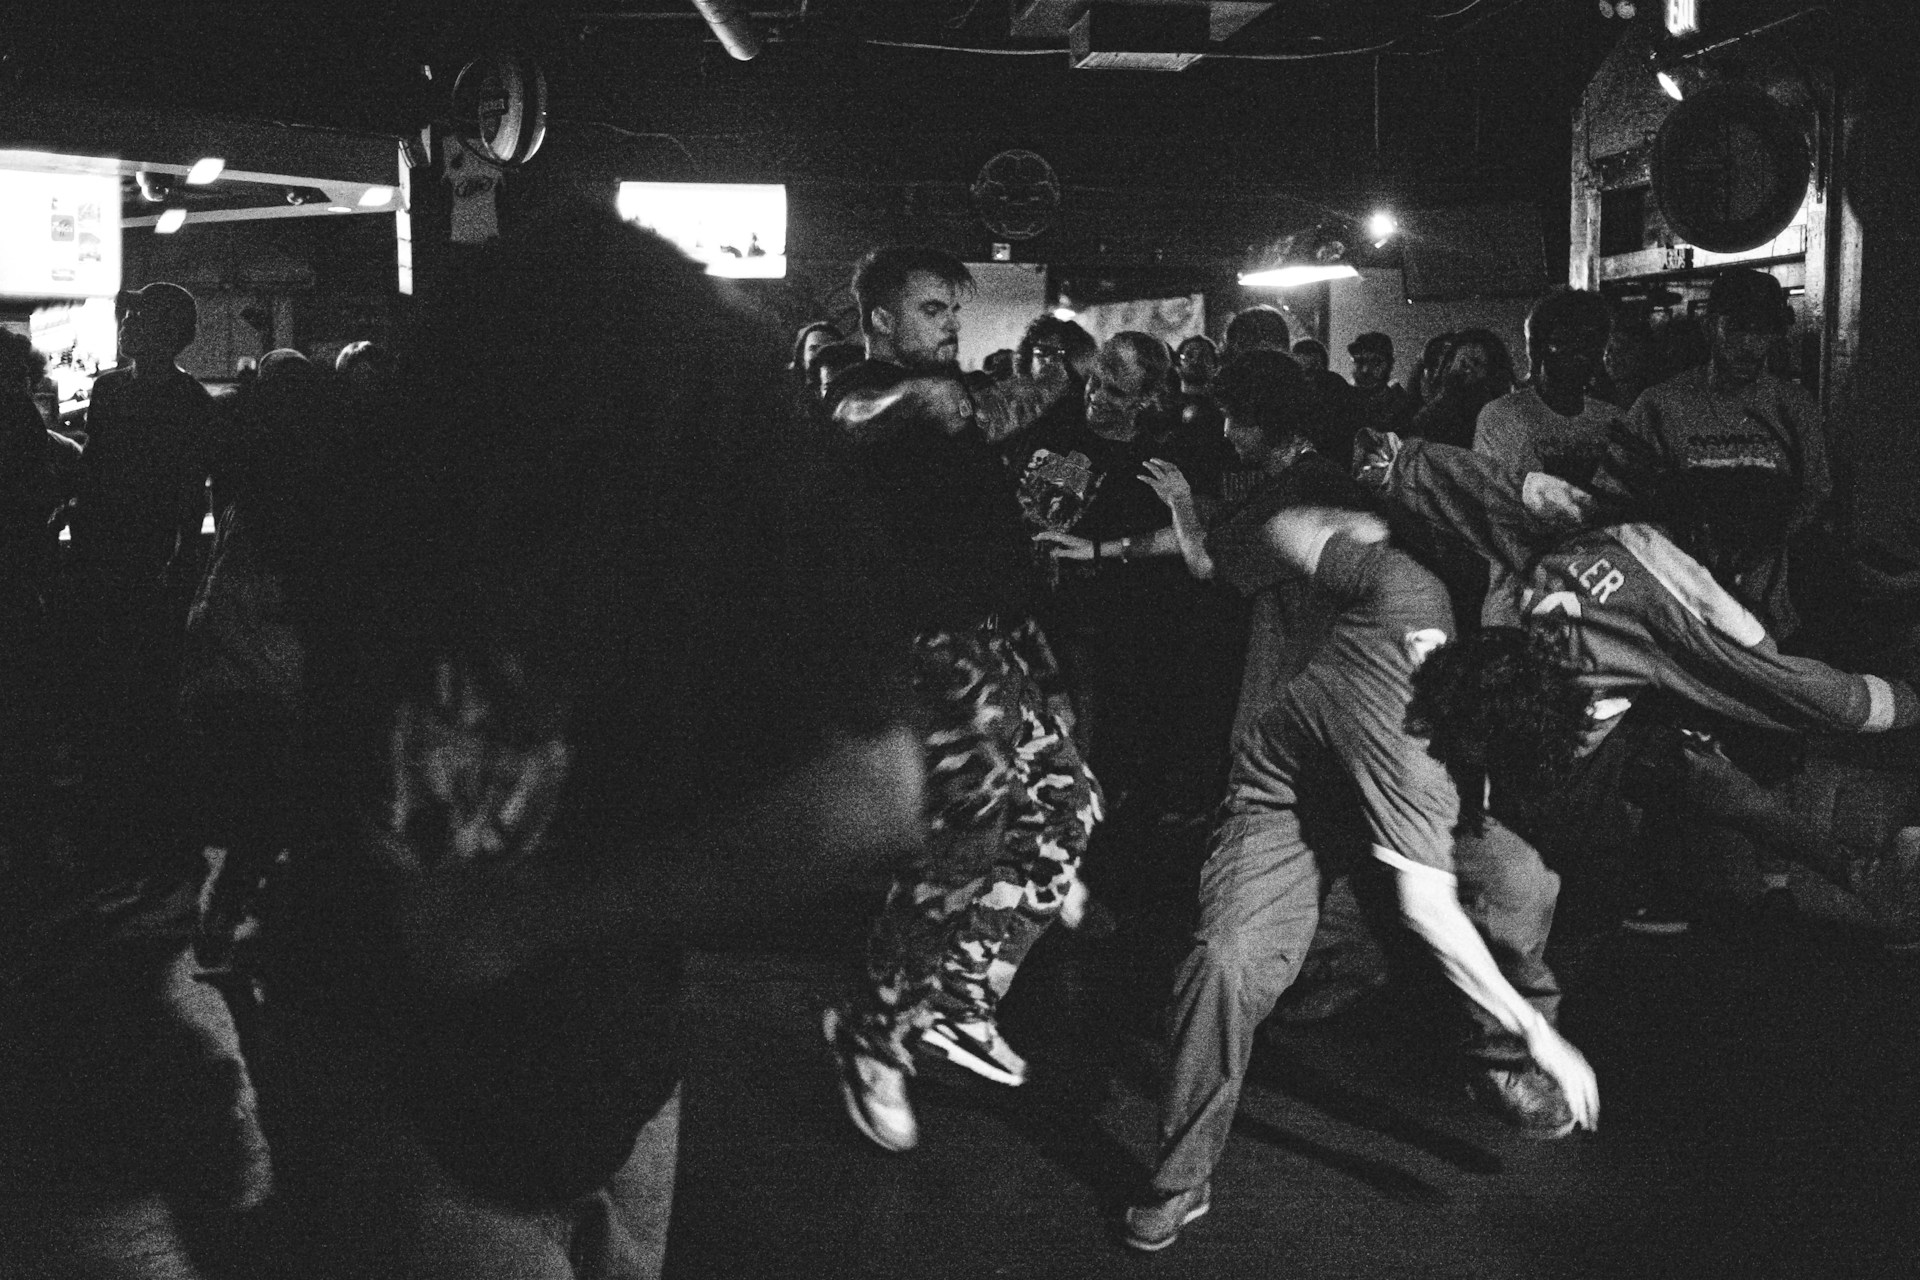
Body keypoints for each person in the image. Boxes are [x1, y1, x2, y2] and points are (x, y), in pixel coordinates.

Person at [1122, 497, 1600, 1253]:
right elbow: (1432, 913)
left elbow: (1282, 528)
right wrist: (1540, 1030)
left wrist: (1347, 527)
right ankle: (1183, 1175)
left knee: (1522, 878)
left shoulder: (1413, 592)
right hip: (1286, 807)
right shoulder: (1415, 767)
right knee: (1229, 965)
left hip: (1391, 807)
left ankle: (1494, 1065)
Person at [1357, 430, 1920, 942]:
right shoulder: (1687, 608)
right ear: (1738, 544)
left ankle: (1859, 876)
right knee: (1570, 891)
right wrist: (1905, 702)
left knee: (1693, 767)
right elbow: (1786, 686)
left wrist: (1397, 463)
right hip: (1559, 753)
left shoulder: (1582, 517)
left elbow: (1490, 487)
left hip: (1483, 702)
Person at [822, 245, 1098, 1153]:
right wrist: (907, 399)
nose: (948, 326)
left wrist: (1058, 378)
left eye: (953, 311)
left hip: (990, 640)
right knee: (971, 835)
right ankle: (875, 1023)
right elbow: (850, 416)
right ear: (882, 321)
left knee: (1066, 809)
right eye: (934, 309)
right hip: (923, 650)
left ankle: (961, 997)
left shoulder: (962, 402)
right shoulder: (862, 387)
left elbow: (994, 410)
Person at [66, 281, 215, 877]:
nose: (124, 324)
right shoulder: (187, 399)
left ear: (157, 331)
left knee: (127, 697)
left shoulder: (117, 392)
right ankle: (138, 832)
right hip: (137, 558)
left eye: (133, 316)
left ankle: (124, 831)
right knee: (131, 695)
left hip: (135, 560)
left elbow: (109, 474)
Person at [1475, 289, 1621, 489]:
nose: (1581, 354)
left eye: (1591, 342)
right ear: (1537, 348)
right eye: (1566, 342)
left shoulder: (1613, 420)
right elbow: (1500, 498)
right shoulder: (1503, 417)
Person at [1349, 331, 1415, 433]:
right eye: (1360, 362)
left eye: (1375, 363)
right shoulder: (1343, 397)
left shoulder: (1400, 402)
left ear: (1390, 364)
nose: (1365, 370)